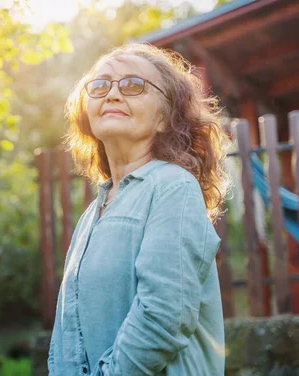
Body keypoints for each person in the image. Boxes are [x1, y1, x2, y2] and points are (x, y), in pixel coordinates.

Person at [47, 43, 231, 376]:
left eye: (133, 85)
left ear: (165, 116)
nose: (112, 94)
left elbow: (164, 316)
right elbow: (67, 336)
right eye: (100, 85)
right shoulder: (92, 213)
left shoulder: (173, 186)